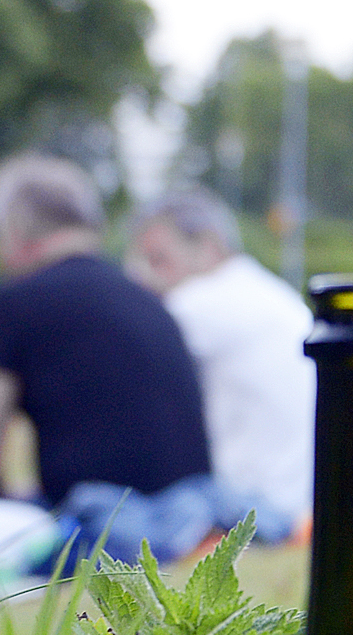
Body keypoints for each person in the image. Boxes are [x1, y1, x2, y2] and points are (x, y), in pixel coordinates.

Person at [0, 155, 212, 504]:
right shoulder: (151, 301)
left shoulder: (10, 305)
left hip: (98, 525)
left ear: (14, 229)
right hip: (192, 513)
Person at [126, 187, 314, 528]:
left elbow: (120, 359)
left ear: (208, 247)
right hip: (297, 498)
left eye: (158, 260)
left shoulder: (204, 301)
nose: (143, 276)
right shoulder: (264, 293)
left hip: (254, 506)